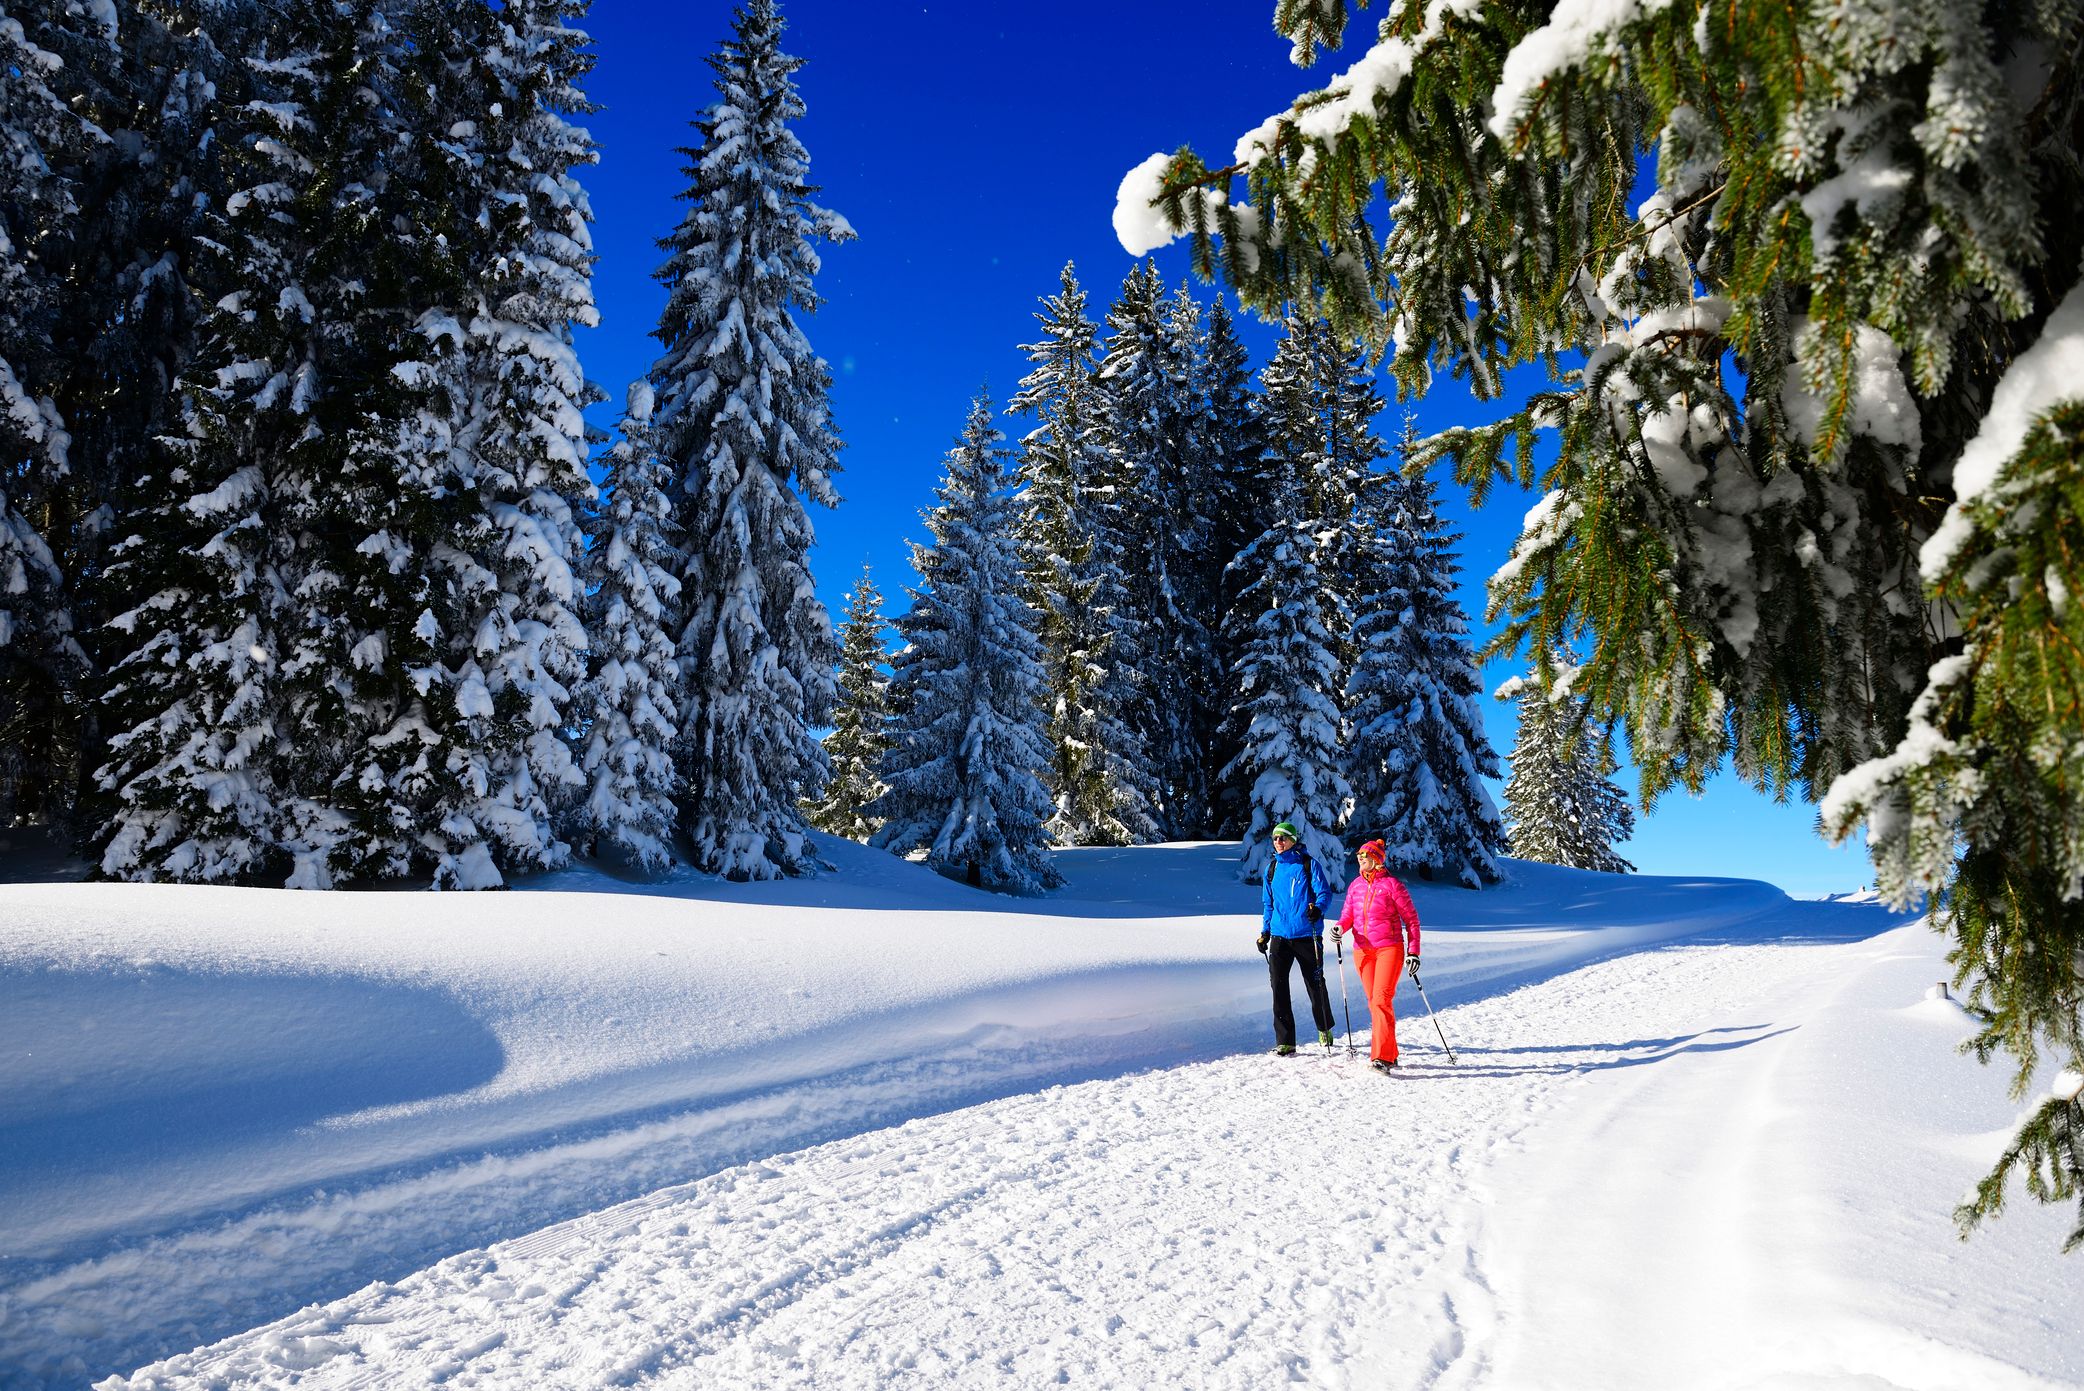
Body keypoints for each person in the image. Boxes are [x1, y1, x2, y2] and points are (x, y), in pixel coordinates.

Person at [1332, 838, 1421, 1073]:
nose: (1361, 860)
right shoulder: (1355, 886)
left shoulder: (1393, 886)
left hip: (1388, 948)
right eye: (1359, 857)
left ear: (1377, 860)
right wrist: (1340, 928)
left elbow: (1411, 921)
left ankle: (1382, 1056)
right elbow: (1348, 915)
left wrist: (1413, 952)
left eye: (1365, 856)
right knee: (1375, 1003)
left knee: (1381, 1000)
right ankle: (1391, 1052)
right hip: (1363, 950)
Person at [1257, 820, 1337, 1055]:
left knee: (1315, 984)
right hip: (1280, 937)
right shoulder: (1271, 869)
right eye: (1275, 838)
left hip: (1306, 935)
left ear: (1293, 840)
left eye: (1283, 838)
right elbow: (1268, 904)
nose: (1278, 842)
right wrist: (1264, 932)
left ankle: (1324, 1028)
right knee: (1278, 988)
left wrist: (1318, 909)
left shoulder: (1308, 864)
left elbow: (1324, 893)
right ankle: (1285, 1040)